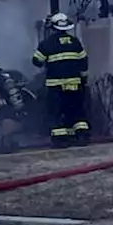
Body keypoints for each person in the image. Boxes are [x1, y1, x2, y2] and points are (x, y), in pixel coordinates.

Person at [31, 13, 90, 146]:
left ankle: (60, 139)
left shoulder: (47, 44)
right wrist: (83, 79)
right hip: (75, 84)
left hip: (55, 86)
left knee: (57, 111)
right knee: (76, 109)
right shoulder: (75, 42)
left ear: (52, 27)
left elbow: (36, 61)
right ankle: (81, 135)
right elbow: (84, 62)